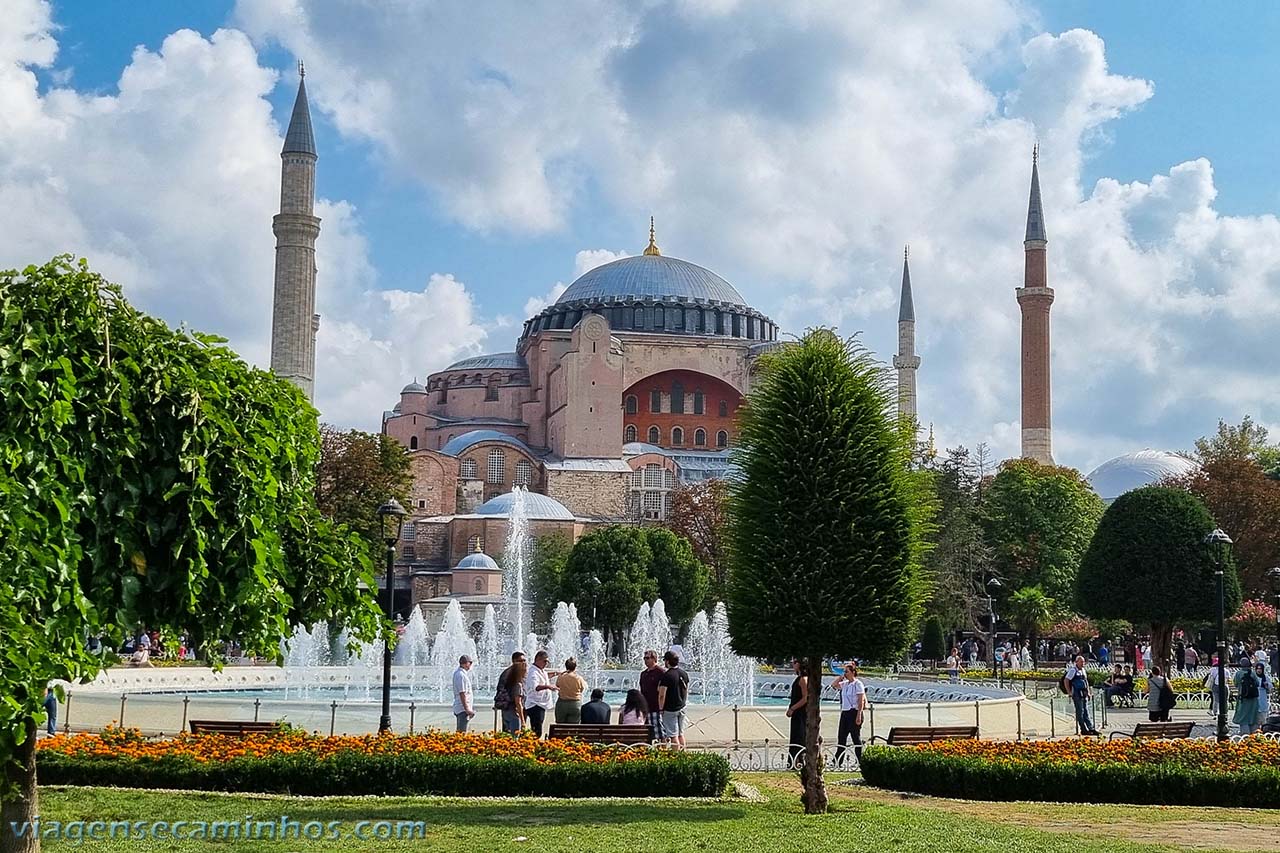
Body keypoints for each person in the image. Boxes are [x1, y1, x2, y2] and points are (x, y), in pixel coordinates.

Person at [831, 662, 867, 768]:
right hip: (845, 712)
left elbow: (861, 701)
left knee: (856, 737)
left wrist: (859, 715)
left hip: (854, 712)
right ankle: (837, 761)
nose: (845, 673)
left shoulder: (858, 684)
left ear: (853, 672)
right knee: (841, 737)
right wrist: (841, 677)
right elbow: (834, 685)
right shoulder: (845, 684)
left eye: (847, 671)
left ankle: (860, 761)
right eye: (845, 672)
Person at [656, 650, 689, 749]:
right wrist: (683, 702)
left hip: (670, 709)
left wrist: (661, 709)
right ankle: (683, 754)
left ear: (667, 661)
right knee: (680, 733)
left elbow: (662, 694)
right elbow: (686, 690)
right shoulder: (684, 673)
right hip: (682, 707)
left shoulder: (667, 676)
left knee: (673, 735)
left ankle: (677, 758)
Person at [523, 650, 557, 738]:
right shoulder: (533, 672)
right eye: (545, 661)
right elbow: (536, 687)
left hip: (540, 705)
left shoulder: (539, 670)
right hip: (536, 705)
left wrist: (556, 674)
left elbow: (545, 675)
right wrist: (548, 686)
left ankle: (532, 743)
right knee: (537, 731)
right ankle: (533, 746)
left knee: (538, 727)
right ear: (538, 659)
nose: (546, 663)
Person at [495, 651, 528, 734]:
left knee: (507, 735)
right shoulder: (509, 675)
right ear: (514, 661)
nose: (523, 663)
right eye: (520, 661)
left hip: (508, 708)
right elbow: (517, 701)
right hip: (512, 709)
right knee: (513, 735)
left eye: (524, 660)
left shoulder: (512, 674)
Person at [1065, 655, 1098, 735]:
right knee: (1080, 711)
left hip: (1084, 693)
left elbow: (1086, 682)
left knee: (1086, 711)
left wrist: (1089, 692)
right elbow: (1066, 680)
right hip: (1076, 693)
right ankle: (1083, 729)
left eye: (1083, 662)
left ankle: (1091, 728)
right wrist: (1069, 692)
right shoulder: (1073, 670)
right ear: (1076, 662)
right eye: (1081, 662)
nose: (1083, 663)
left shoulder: (1083, 670)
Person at [784, 659, 807, 766]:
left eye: (795, 663)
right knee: (796, 736)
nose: (793, 665)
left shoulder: (803, 679)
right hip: (797, 714)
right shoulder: (800, 678)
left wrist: (793, 708)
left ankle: (799, 761)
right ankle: (794, 762)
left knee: (800, 737)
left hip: (801, 714)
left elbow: (805, 698)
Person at [639, 649, 663, 741]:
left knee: (659, 733)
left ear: (654, 659)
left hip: (656, 708)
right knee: (647, 733)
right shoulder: (643, 674)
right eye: (644, 658)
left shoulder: (661, 672)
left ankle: (662, 750)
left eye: (648, 658)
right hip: (645, 708)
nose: (645, 660)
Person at [1233, 657, 1262, 736]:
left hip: (1243, 698)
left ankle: (1245, 733)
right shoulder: (1252, 673)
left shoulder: (1238, 673)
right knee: (1252, 714)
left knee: (1243, 715)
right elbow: (1257, 683)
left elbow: (1235, 684)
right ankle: (1253, 732)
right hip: (1253, 698)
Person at [554, 658, 587, 724]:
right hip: (575, 703)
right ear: (575, 667)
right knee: (573, 727)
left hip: (562, 703)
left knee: (560, 726)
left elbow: (557, 685)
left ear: (566, 666)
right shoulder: (578, 678)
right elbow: (582, 689)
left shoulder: (561, 677)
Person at [452, 655, 475, 732]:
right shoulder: (461, 675)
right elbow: (462, 693)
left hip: (462, 708)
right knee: (461, 732)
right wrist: (467, 709)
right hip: (462, 709)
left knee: (462, 731)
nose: (471, 665)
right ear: (465, 663)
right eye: (470, 663)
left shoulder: (461, 674)